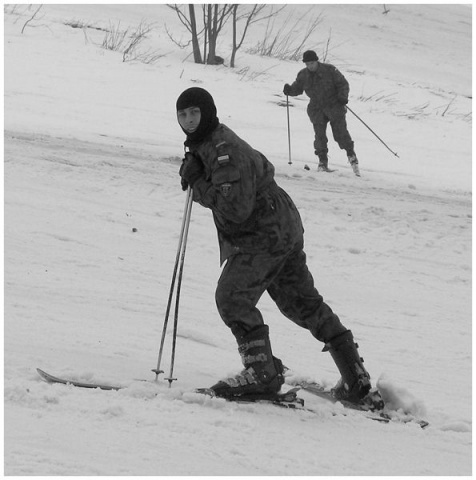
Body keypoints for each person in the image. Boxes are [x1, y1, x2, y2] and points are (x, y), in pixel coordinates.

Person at [176, 87, 372, 405]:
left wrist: (198, 184)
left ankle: (261, 374)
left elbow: (234, 208)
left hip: (263, 234)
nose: (189, 120)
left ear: (208, 112)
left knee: (232, 298)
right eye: (183, 115)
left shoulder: (222, 148)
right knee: (301, 302)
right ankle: (355, 375)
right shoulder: (208, 143)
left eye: (195, 113)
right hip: (280, 226)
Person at [283, 50, 360, 176]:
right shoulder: (303, 75)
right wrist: (289, 90)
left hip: (334, 106)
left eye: (312, 63)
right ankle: (322, 162)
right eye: (307, 64)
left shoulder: (330, 70)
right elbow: (297, 88)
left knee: (340, 135)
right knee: (319, 137)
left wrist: (343, 96)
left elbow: (343, 84)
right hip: (316, 108)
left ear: (317, 61)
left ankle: (352, 157)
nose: (310, 66)